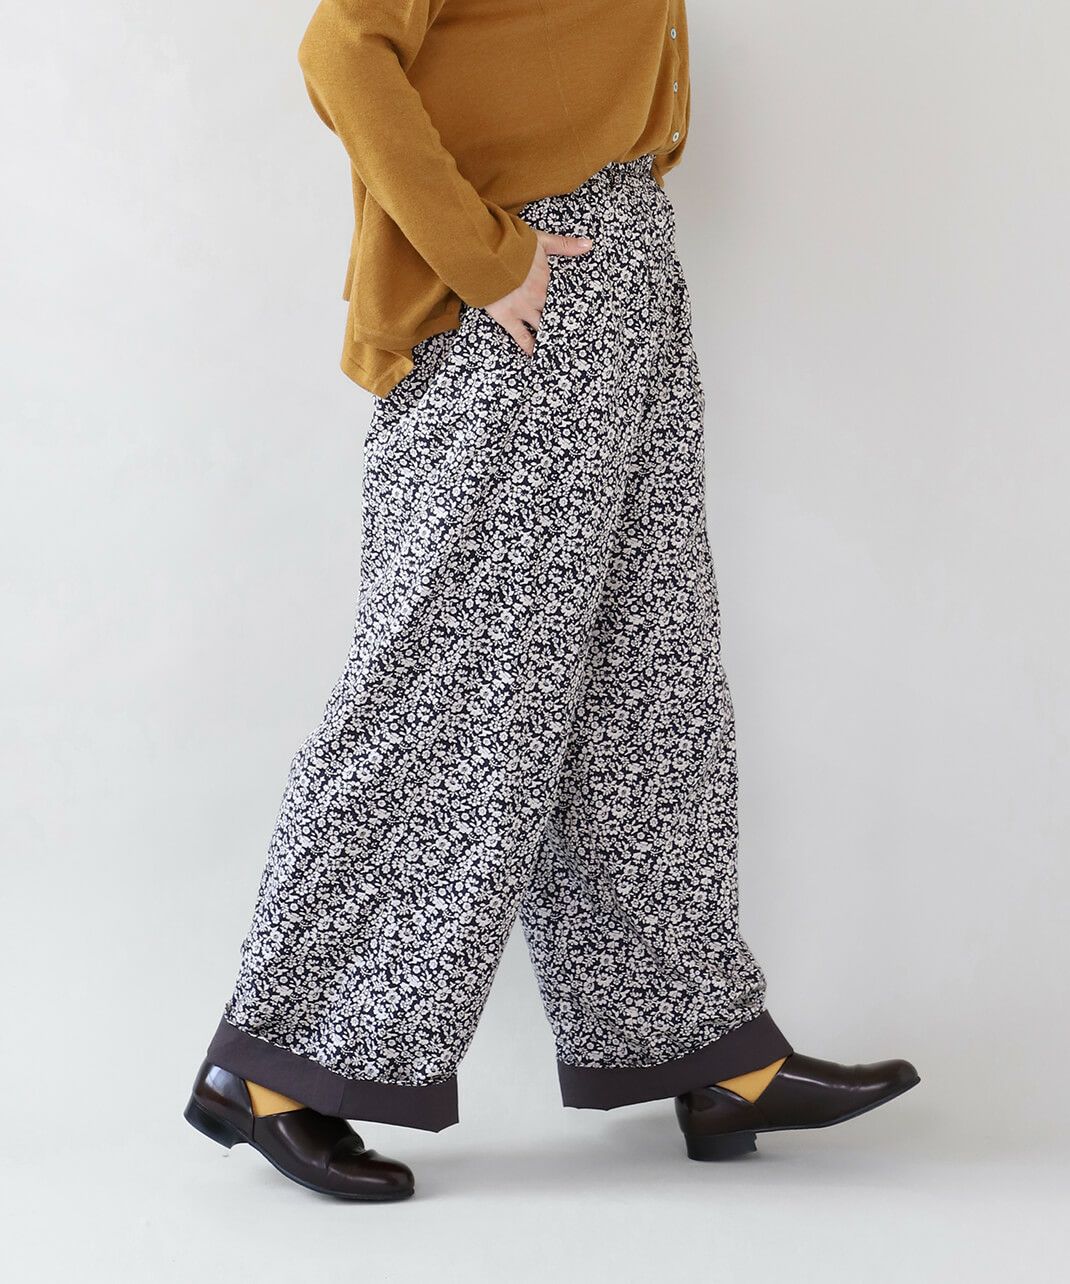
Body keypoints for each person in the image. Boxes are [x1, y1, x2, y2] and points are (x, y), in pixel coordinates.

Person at [184, 1, 918, 1202]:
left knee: (647, 685)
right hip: (517, 300)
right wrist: (482, 255)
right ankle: (278, 1064)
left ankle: (704, 1047)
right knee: (457, 692)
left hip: (618, 273)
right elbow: (341, 47)